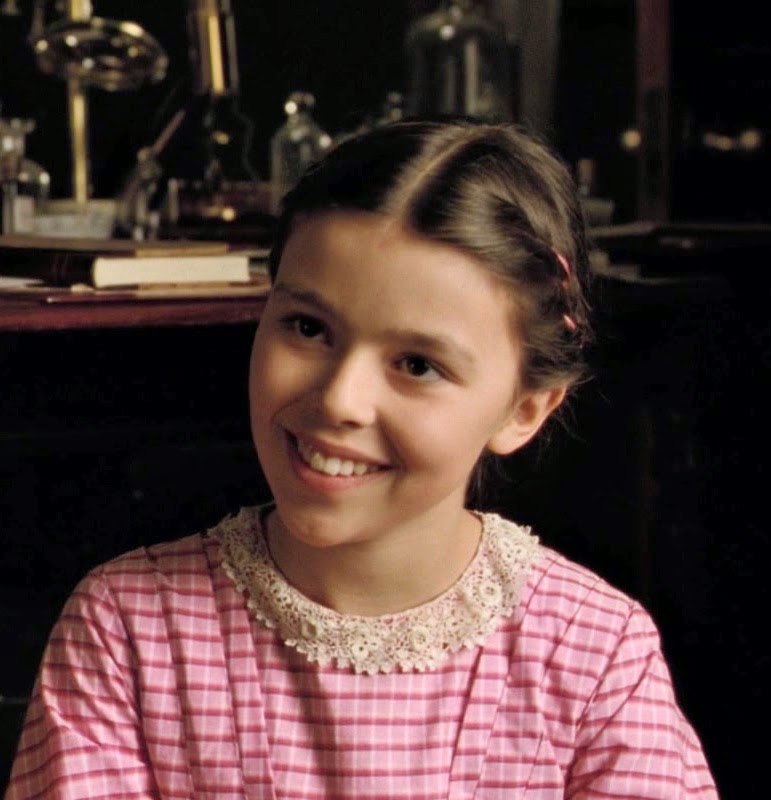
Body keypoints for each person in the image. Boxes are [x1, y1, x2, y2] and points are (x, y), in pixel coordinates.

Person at [6, 120, 717, 799]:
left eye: (417, 364)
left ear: (524, 409)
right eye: (307, 327)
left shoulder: (597, 654)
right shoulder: (128, 627)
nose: (340, 399)